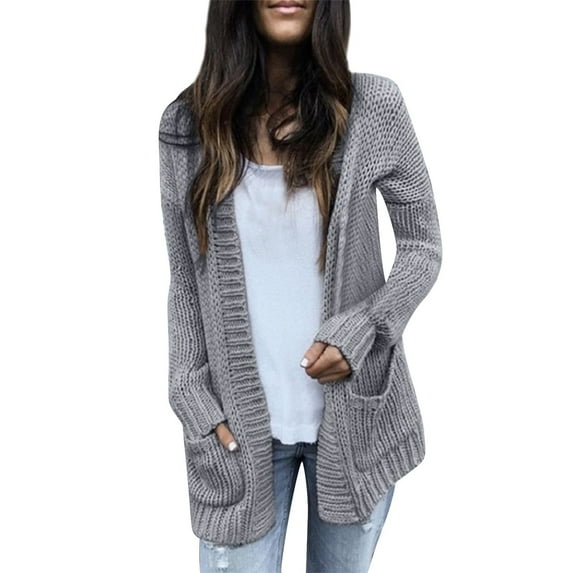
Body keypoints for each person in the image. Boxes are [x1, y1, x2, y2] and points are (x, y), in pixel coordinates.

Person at [158, 0, 442, 571]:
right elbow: (185, 276)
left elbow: (422, 246)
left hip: (355, 423)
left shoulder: (373, 108)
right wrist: (189, 392)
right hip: (237, 435)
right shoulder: (188, 124)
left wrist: (362, 329)